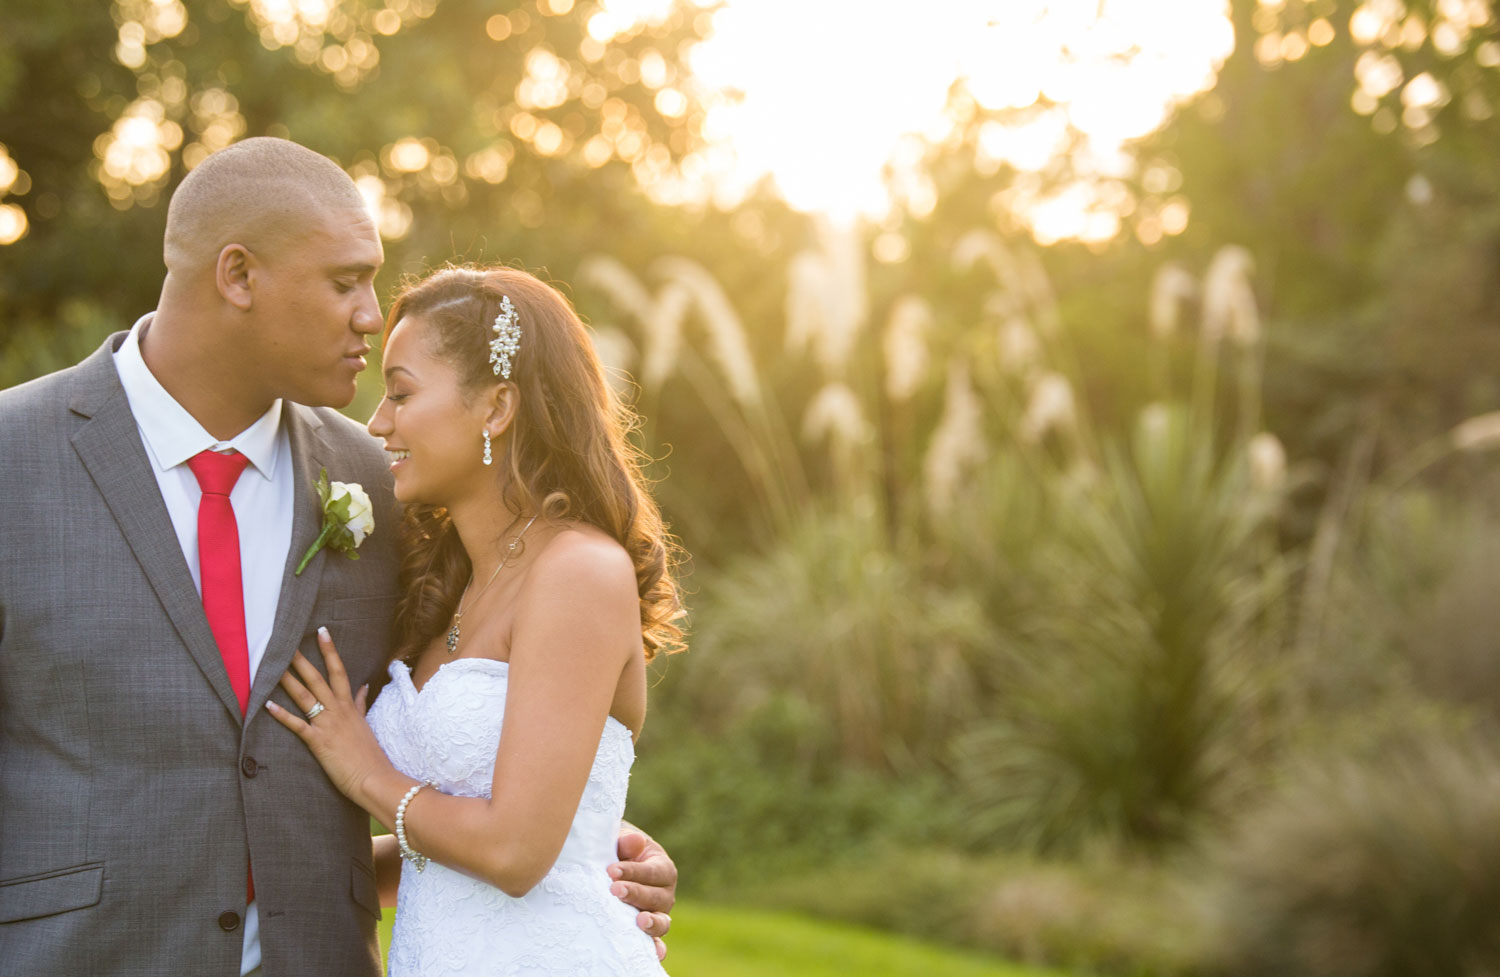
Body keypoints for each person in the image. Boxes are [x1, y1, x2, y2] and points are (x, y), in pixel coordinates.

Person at [0, 137, 675, 977]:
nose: (369, 312)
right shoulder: (12, 461)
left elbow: (519, 729)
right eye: (345, 281)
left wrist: (584, 849)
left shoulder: (381, 483)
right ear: (238, 276)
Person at [265, 264, 684, 976]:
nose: (378, 422)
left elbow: (515, 855)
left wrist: (366, 772)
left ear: (495, 407)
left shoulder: (580, 570)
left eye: (400, 392)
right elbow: (444, 852)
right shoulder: (445, 583)